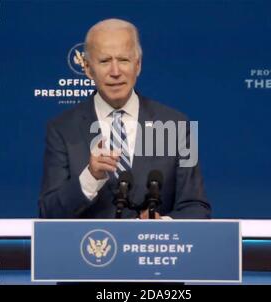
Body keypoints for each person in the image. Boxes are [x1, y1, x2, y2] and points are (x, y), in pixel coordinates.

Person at [38, 18, 211, 219]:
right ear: (87, 68)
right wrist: (90, 177)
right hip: (90, 248)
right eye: (104, 61)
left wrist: (162, 225)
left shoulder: (177, 125)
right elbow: (48, 213)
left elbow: (197, 208)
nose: (115, 72)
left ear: (137, 65)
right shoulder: (62, 129)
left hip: (152, 249)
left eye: (123, 60)